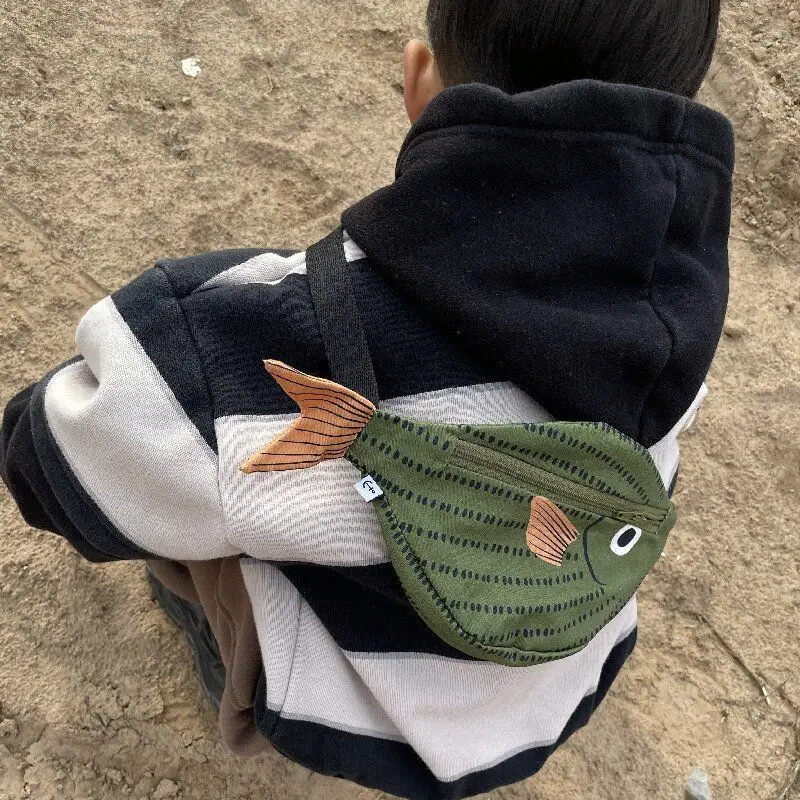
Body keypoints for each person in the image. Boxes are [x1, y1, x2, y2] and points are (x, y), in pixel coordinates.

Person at [0, 0, 733, 797]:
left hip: (340, 704)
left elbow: (53, 461)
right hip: (546, 692)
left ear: (420, 82)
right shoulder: (679, 334)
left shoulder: (249, 336)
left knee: (192, 488)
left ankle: (223, 659)